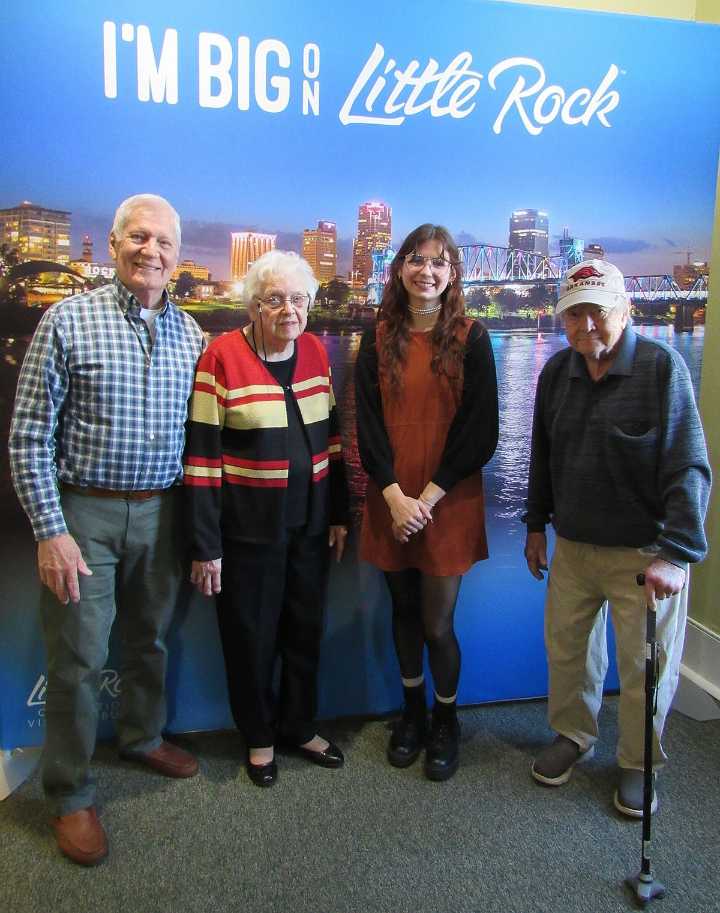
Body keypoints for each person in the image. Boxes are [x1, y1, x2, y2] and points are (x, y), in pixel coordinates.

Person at [8, 194, 205, 865]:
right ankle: (69, 792)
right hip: (83, 513)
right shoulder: (66, 321)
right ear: (115, 242)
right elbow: (29, 435)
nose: (152, 252)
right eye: (139, 238)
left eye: (165, 243)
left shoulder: (191, 334)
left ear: (178, 257)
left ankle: (144, 736)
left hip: (164, 509)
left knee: (149, 637)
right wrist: (50, 528)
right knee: (79, 658)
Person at [524, 258, 711, 816]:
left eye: (596, 313)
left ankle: (638, 761)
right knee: (569, 653)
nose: (584, 326)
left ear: (625, 310)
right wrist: (536, 524)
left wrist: (678, 555)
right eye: (573, 314)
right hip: (575, 547)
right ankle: (573, 735)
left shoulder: (662, 368)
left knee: (644, 665)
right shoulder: (557, 372)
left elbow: (690, 468)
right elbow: (543, 457)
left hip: (644, 554)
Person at [184, 250, 349, 787]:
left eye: (299, 299)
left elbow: (334, 443)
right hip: (248, 532)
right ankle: (258, 735)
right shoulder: (221, 359)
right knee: (250, 637)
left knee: (305, 629)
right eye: (275, 299)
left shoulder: (316, 356)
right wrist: (205, 545)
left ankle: (299, 725)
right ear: (253, 305)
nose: (289, 310)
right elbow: (203, 460)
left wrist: (340, 514)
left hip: (310, 524)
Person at [355, 224, 499, 781]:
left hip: (446, 501)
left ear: (453, 274)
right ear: (398, 269)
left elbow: (478, 432)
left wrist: (426, 500)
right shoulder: (378, 335)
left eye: (439, 263)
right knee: (404, 613)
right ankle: (410, 713)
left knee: (437, 623)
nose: (426, 271)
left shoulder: (473, 337)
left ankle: (446, 719)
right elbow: (368, 426)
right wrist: (394, 496)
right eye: (415, 259)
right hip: (392, 496)